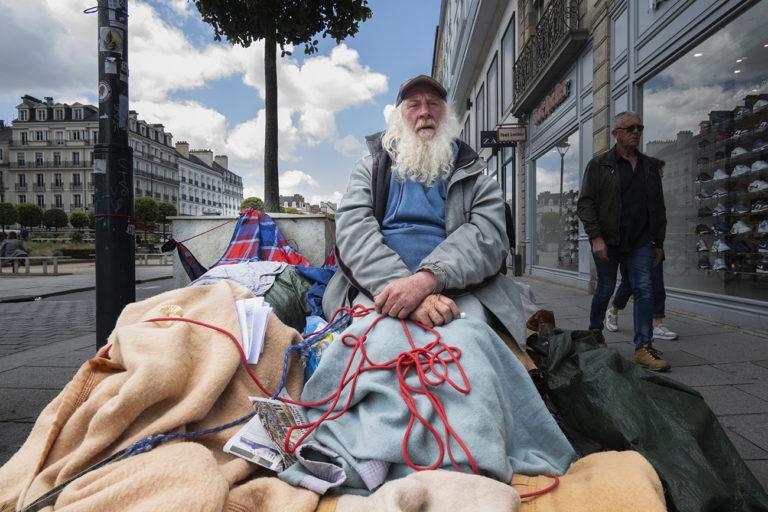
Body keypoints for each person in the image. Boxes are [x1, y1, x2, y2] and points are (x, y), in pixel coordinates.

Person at [323, 74, 527, 345]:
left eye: (433, 104)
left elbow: (487, 237)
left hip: (456, 288)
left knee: (467, 343)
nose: (424, 112)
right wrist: (403, 289)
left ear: (447, 116)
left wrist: (426, 281)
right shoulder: (369, 170)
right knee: (372, 343)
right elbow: (353, 233)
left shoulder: (476, 176)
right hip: (379, 286)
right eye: (413, 105)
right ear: (399, 117)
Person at [577, 111, 670, 371]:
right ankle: (595, 332)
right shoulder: (600, 165)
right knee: (606, 288)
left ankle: (643, 347)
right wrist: (595, 237)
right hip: (607, 240)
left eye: (639, 127)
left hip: (641, 240)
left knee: (644, 288)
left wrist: (659, 243)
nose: (636, 132)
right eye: (630, 128)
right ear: (616, 133)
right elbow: (585, 204)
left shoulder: (649, 166)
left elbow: (659, 207)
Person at [605, 260, 679, 340]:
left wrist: (659, 247)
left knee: (657, 283)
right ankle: (613, 311)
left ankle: (658, 325)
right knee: (628, 284)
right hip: (628, 250)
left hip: (653, 249)